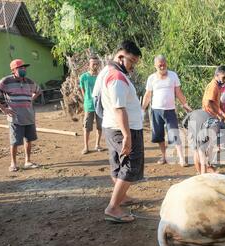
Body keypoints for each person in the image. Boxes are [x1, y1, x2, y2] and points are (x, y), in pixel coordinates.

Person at [97, 40, 144, 223]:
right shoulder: (116, 77)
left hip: (112, 126)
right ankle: (113, 207)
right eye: (131, 61)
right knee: (131, 165)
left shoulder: (108, 73)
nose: (132, 67)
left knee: (118, 164)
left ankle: (121, 198)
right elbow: (119, 108)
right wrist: (127, 136)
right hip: (123, 128)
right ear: (120, 56)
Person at [142, 55, 192, 167]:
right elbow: (148, 95)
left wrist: (185, 104)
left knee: (174, 134)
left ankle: (181, 158)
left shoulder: (173, 75)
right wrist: (142, 109)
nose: (162, 66)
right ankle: (164, 156)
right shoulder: (151, 78)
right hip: (156, 111)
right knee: (159, 135)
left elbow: (178, 92)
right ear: (155, 66)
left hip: (170, 110)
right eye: (160, 64)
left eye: (164, 64)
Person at [0, 59, 41, 172]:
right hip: (15, 118)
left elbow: (38, 90)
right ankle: (13, 163)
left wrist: (31, 99)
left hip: (29, 117)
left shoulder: (29, 82)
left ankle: (27, 161)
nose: (24, 69)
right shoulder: (6, 81)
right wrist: (3, 108)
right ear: (14, 70)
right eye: (21, 68)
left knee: (29, 140)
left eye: (24, 67)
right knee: (14, 142)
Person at [184, 109, 224, 175]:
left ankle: (206, 170)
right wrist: (203, 176)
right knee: (196, 150)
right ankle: (199, 173)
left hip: (201, 119)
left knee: (206, 152)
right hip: (193, 124)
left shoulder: (220, 127)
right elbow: (203, 160)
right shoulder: (202, 135)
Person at [80, 56, 103, 154]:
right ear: (88, 65)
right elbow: (83, 91)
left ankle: (97, 145)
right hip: (89, 105)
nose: (95, 65)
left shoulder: (101, 76)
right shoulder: (84, 77)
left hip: (100, 105)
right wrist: (88, 100)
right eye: (93, 63)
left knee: (100, 126)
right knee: (87, 127)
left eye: (97, 63)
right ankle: (86, 147)